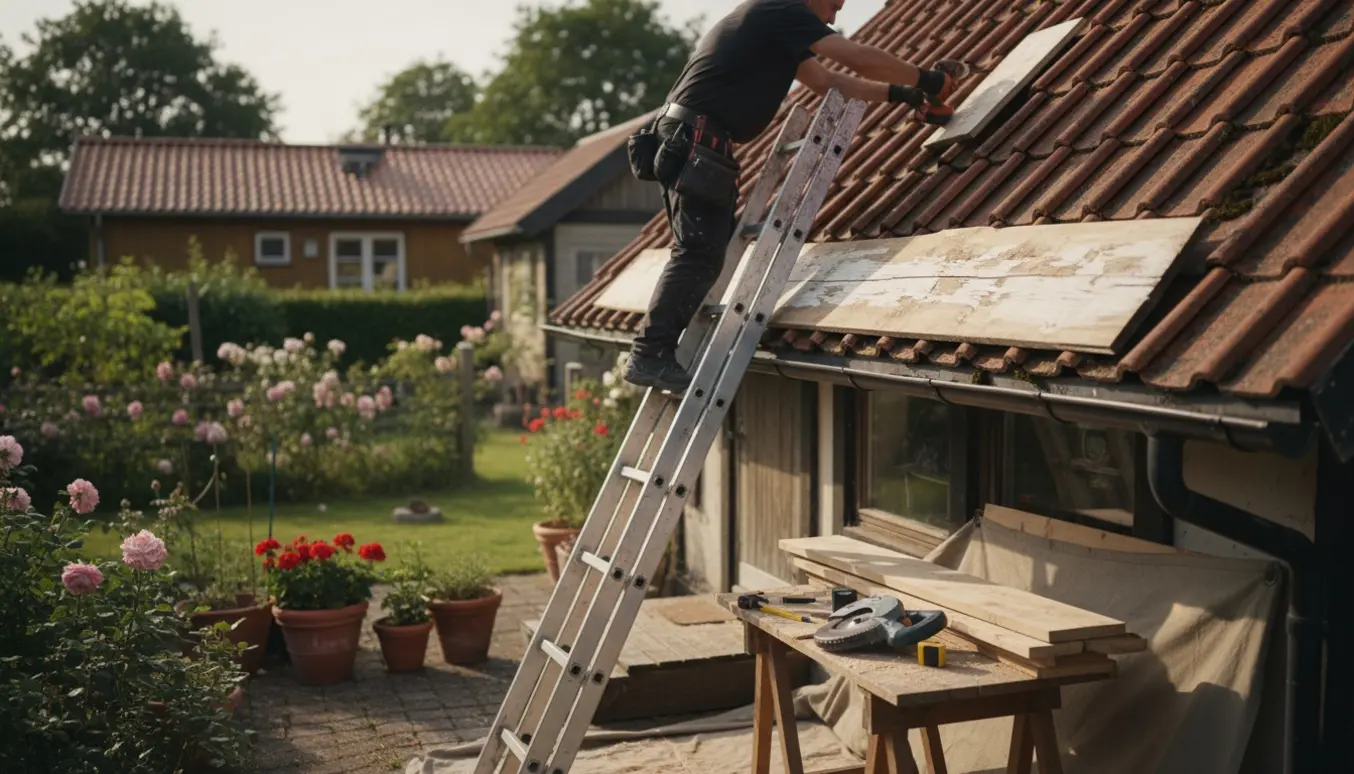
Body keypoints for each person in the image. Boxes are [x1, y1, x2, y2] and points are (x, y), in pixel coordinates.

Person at [623, 0, 968, 393]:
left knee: (706, 251)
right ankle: (650, 354)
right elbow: (855, 57)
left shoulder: (778, 24)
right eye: (834, 6)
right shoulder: (781, 9)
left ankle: (656, 351)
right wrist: (930, 80)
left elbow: (828, 83)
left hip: (693, 140)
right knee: (698, 253)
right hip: (694, 141)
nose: (835, 18)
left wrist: (904, 95)